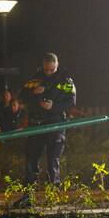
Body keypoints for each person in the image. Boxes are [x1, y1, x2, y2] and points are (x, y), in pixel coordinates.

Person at [20, 52, 75, 185]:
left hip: (56, 123)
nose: (49, 72)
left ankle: (53, 191)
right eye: (46, 70)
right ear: (42, 66)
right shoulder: (34, 80)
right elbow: (22, 97)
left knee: (53, 160)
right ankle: (29, 192)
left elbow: (71, 102)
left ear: (57, 65)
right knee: (32, 158)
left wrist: (53, 106)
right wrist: (33, 92)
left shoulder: (66, 80)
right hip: (36, 123)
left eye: (52, 69)